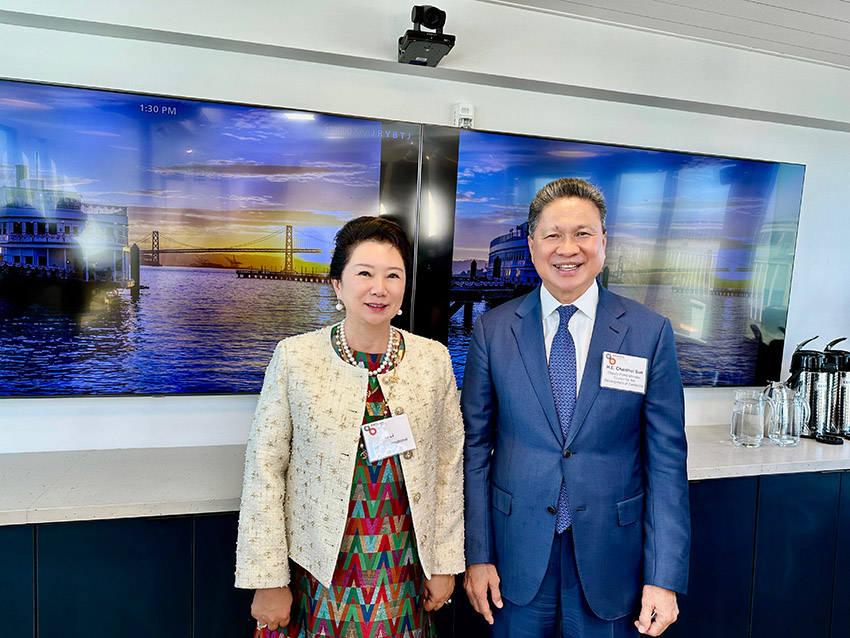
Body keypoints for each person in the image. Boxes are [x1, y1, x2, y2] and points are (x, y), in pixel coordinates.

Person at [462, 178, 690, 638]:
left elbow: (666, 461)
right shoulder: (493, 330)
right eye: (553, 235)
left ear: (604, 241)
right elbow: (474, 448)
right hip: (515, 554)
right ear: (532, 245)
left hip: (612, 557)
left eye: (583, 233)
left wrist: (663, 576)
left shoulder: (649, 332)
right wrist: (477, 554)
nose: (568, 248)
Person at [235, 216, 465, 637]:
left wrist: (445, 563)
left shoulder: (433, 360)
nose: (379, 288)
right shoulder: (296, 358)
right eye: (364, 274)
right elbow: (264, 472)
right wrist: (268, 579)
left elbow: (448, 469)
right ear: (337, 285)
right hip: (317, 572)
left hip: (404, 572)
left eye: (393, 275)